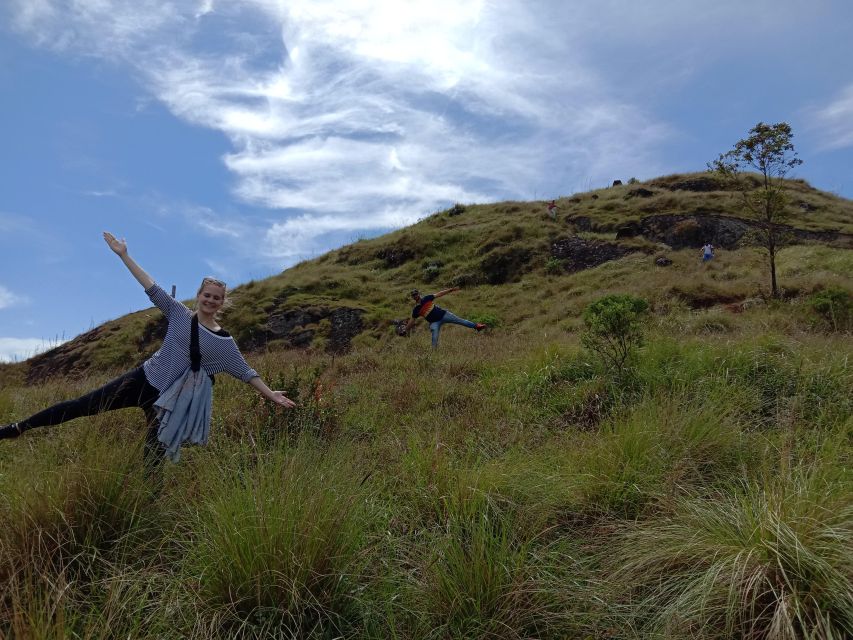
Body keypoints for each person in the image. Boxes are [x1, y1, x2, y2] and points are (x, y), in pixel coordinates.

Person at [0, 232, 296, 468]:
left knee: (152, 459)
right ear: (199, 295)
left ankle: (145, 509)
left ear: (222, 302)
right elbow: (151, 286)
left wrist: (271, 395)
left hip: (166, 403)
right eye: (207, 295)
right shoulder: (179, 313)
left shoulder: (224, 343)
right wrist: (124, 255)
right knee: (80, 406)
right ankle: (17, 428)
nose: (211, 300)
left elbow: (245, 372)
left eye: (217, 298)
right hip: (140, 380)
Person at [403, 287, 486, 348]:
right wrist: (405, 330)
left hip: (444, 315)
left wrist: (450, 290)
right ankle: (434, 353)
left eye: (416, 294)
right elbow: (412, 320)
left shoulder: (427, 298)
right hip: (434, 322)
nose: (415, 296)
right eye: (413, 295)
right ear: (412, 297)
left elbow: (439, 294)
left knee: (460, 321)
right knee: (434, 337)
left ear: (418, 294)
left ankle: (477, 326)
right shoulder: (416, 309)